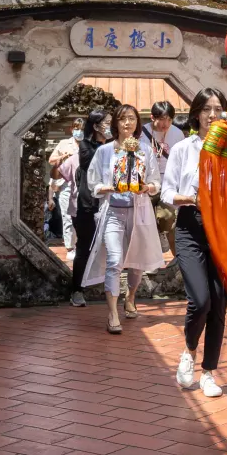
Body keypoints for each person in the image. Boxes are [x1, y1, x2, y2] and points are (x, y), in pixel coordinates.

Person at [162, 88, 227, 398]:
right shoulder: (182, 149)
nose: (213, 115)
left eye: (218, 109)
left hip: (224, 229)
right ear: (197, 114)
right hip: (190, 226)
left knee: (218, 303)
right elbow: (165, 193)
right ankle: (189, 351)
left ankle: (209, 372)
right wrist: (192, 198)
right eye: (207, 109)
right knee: (200, 299)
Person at [82, 104, 163, 334]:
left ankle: (131, 296)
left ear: (137, 123)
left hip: (139, 212)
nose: (127, 123)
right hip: (113, 214)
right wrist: (108, 187)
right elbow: (93, 183)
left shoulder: (145, 150)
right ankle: (112, 313)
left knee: (136, 264)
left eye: (132, 119)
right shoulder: (105, 151)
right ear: (115, 123)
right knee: (115, 260)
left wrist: (146, 187)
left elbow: (155, 181)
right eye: (122, 119)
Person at [70, 109, 111, 307]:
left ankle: (110, 289)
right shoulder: (86, 145)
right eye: (107, 123)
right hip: (89, 204)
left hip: (111, 202)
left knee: (112, 248)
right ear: (96, 126)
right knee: (84, 247)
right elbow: (90, 163)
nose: (110, 127)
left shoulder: (115, 146)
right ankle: (76, 289)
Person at [142, 100, 186, 255]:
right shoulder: (141, 132)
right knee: (146, 221)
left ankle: (163, 234)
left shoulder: (177, 133)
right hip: (147, 181)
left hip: (169, 181)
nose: (165, 123)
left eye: (169, 119)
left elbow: (182, 159)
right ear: (152, 117)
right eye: (162, 119)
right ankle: (151, 256)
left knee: (167, 216)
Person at [49, 118, 84, 259]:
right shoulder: (64, 143)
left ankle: (82, 245)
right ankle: (70, 247)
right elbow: (51, 160)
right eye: (76, 128)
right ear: (71, 129)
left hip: (84, 185)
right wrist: (65, 156)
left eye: (81, 129)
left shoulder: (89, 144)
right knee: (67, 216)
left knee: (83, 217)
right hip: (66, 184)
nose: (79, 131)